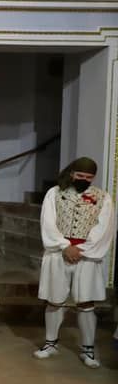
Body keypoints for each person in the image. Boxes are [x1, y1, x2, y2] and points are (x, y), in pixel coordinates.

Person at [33, 157, 115, 369]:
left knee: (86, 302)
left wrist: (82, 249)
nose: (84, 180)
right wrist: (64, 246)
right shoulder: (55, 193)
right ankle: (50, 343)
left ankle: (88, 348)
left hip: (86, 256)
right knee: (54, 299)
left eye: (89, 178)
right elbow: (48, 222)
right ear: (72, 174)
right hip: (58, 253)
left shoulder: (103, 197)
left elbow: (104, 227)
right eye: (80, 176)